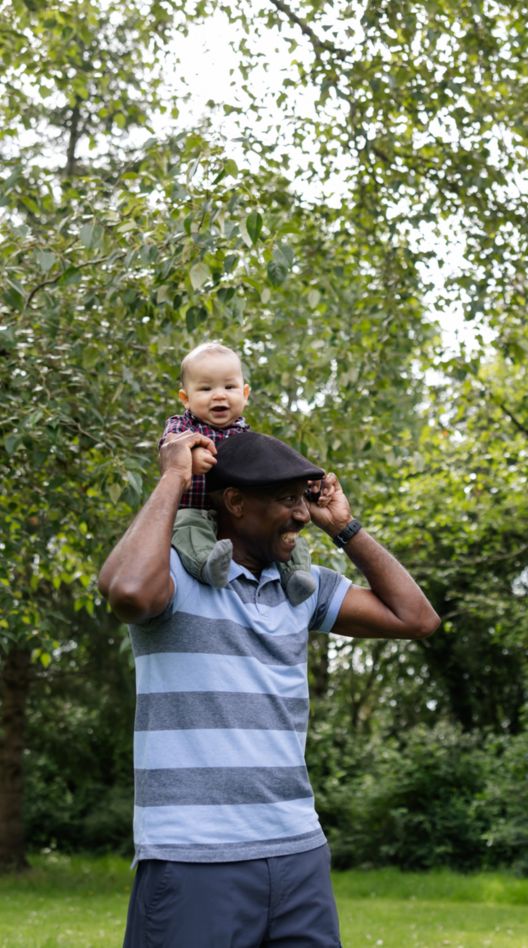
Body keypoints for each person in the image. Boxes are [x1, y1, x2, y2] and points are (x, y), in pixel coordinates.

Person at [98, 429, 440, 948]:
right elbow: (126, 591)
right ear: (234, 502)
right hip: (195, 856)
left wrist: (345, 528)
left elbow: (416, 618)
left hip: (297, 851)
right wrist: (174, 476)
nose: (302, 514)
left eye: (303, 498)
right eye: (285, 500)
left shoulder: (302, 588)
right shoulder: (172, 578)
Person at [161, 340, 316, 605]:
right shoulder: (183, 425)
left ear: (245, 394)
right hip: (194, 507)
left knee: (284, 530)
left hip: (236, 517)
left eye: (229, 387)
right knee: (188, 530)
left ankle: (297, 575)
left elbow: (270, 471)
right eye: (206, 388)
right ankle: (208, 566)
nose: (219, 395)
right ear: (185, 399)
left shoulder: (246, 435)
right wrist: (190, 456)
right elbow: (169, 449)